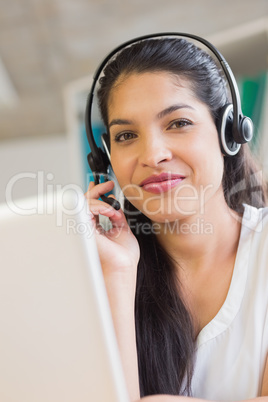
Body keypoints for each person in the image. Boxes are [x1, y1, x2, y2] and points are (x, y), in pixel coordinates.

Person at [85, 36, 268, 401]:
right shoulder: (94, 272)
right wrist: (119, 272)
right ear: (105, 159)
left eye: (178, 122)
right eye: (126, 135)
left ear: (229, 132)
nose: (152, 154)